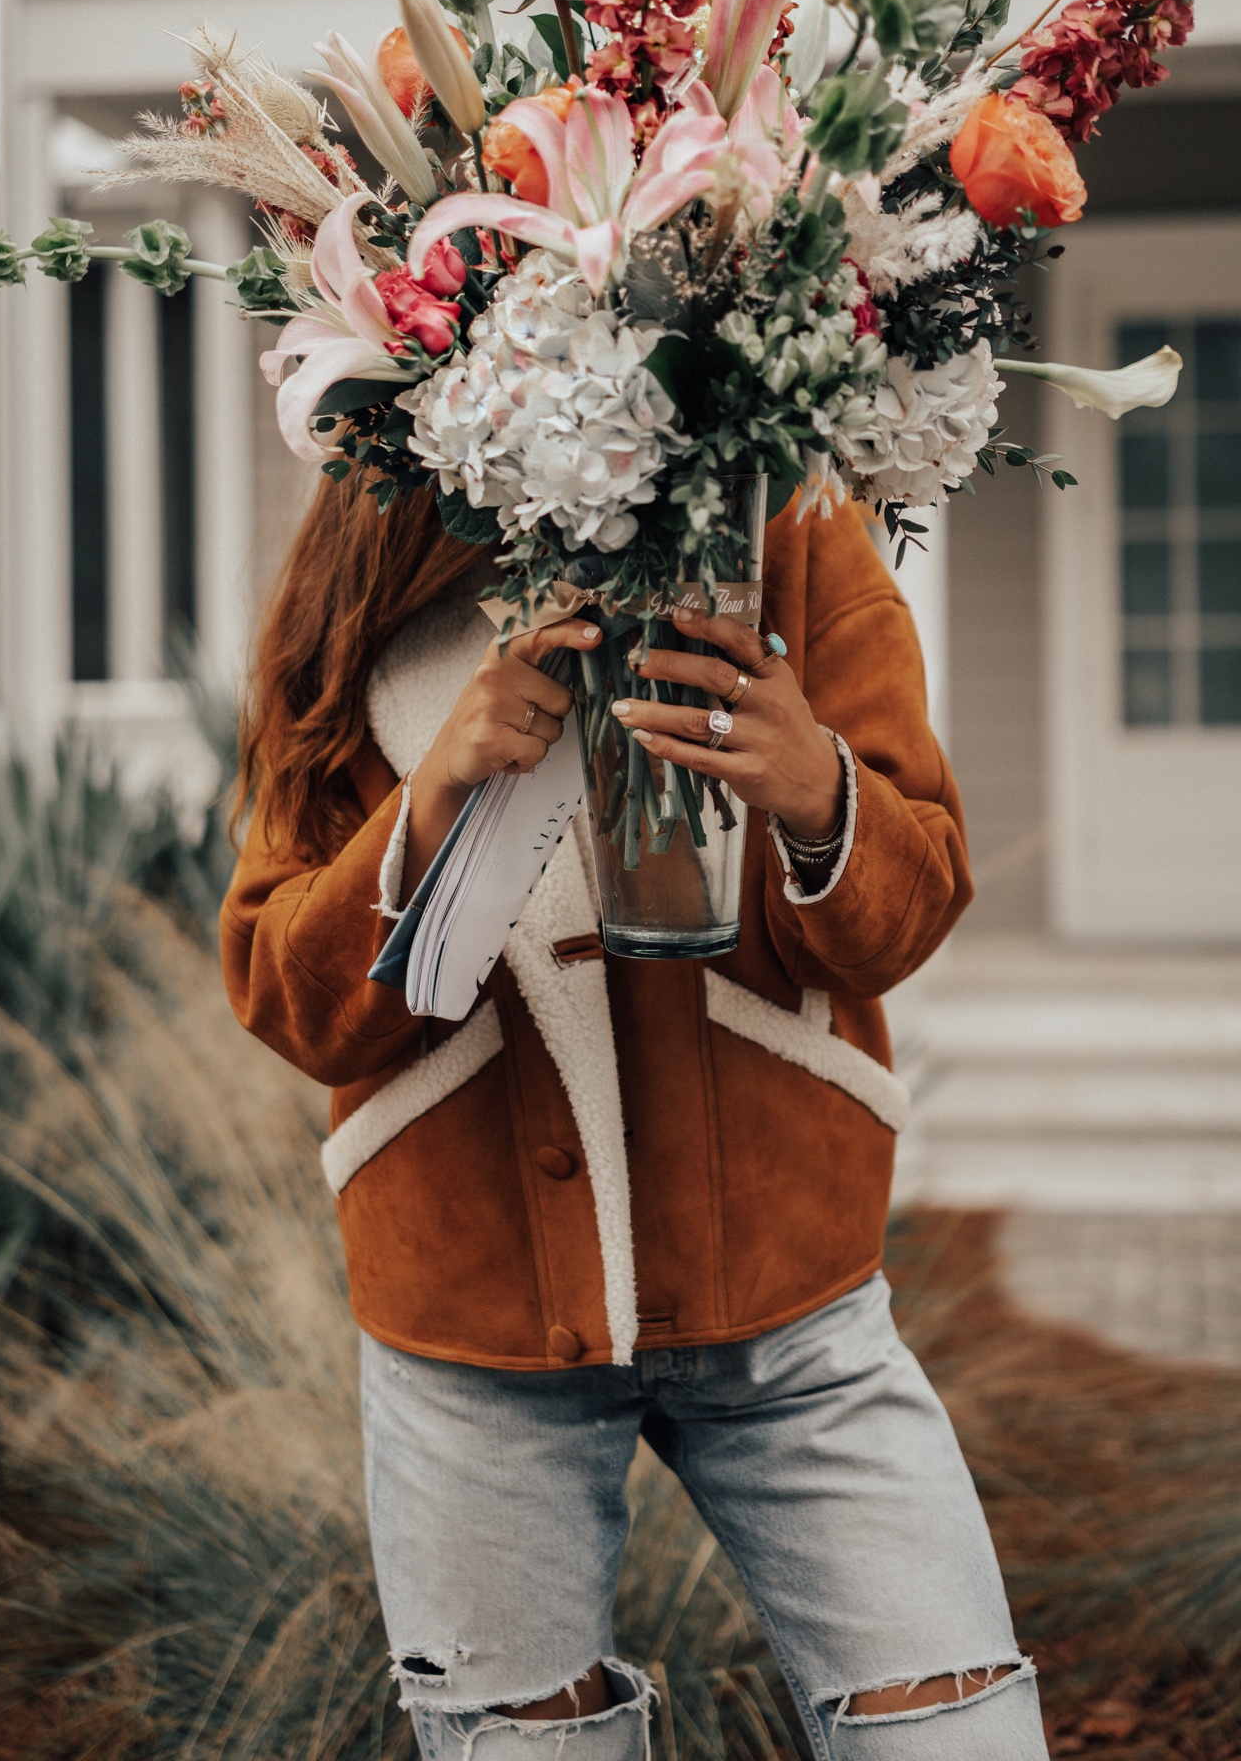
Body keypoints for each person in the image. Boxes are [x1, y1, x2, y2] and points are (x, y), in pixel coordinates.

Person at [222, 480, 1049, 1761]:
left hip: (789, 1298)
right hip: (473, 1318)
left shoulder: (788, 518)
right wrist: (434, 792)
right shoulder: (365, 550)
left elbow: (914, 899)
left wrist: (817, 788)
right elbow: (287, 994)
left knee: (960, 1738)